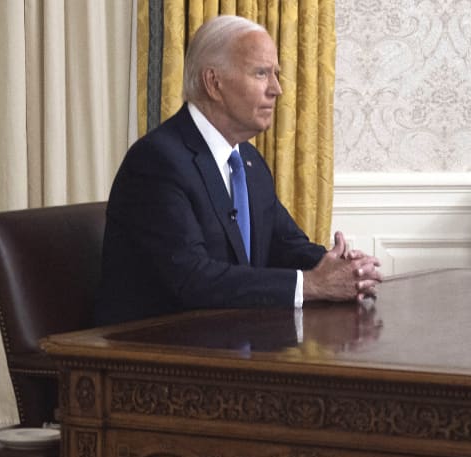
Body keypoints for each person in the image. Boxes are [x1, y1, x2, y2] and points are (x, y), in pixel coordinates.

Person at [96, 14, 380, 327]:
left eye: (276, 74)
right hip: (152, 353)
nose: (277, 89)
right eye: (261, 73)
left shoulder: (248, 160)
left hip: (231, 341)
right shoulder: (156, 163)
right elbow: (193, 280)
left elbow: (285, 245)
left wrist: (339, 267)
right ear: (214, 82)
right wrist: (312, 285)